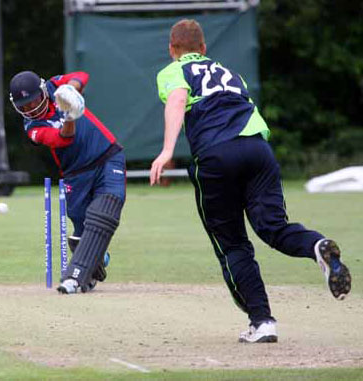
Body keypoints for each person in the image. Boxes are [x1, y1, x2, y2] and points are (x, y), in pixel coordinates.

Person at [150, 19, 352, 343]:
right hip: (258, 150)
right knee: (273, 227)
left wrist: (167, 151)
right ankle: (316, 246)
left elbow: (177, 98)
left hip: (216, 156)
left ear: (173, 50)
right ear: (204, 49)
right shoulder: (231, 74)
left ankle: (262, 322)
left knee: (232, 244)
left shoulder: (174, 70)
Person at [9, 70, 126, 294]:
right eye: (23, 106)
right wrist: (70, 116)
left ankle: (85, 269)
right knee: (80, 232)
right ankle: (96, 261)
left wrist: (70, 90)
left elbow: (82, 74)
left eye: (33, 101)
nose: (30, 108)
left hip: (107, 154)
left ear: (43, 92)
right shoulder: (32, 128)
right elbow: (64, 138)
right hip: (75, 173)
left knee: (107, 207)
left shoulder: (54, 87)